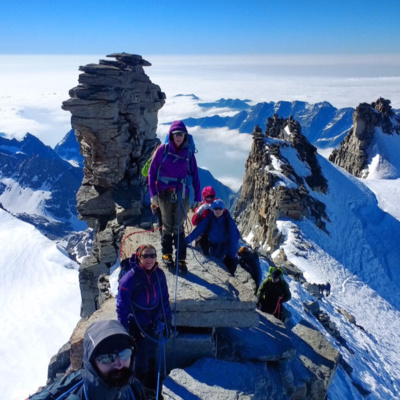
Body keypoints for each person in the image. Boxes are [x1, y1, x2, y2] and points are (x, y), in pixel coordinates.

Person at [27, 319, 146, 400]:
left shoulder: (134, 388)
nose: (119, 364)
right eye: (107, 358)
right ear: (91, 363)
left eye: (125, 353)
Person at [116, 244, 172, 393]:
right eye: (145, 256)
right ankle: (139, 392)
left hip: (153, 323)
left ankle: (152, 389)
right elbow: (122, 307)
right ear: (139, 257)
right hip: (137, 326)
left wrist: (168, 322)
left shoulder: (159, 275)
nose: (149, 259)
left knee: (153, 357)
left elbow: (164, 299)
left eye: (152, 255)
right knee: (140, 363)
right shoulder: (130, 278)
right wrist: (124, 332)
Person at [148, 120, 201, 275]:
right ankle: (167, 254)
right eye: (176, 134)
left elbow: (195, 176)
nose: (179, 137)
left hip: (182, 193)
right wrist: (153, 195)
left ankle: (181, 259)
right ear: (171, 135)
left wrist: (198, 196)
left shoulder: (189, 153)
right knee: (167, 225)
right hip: (164, 193)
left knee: (178, 225)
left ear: (185, 136)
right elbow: (151, 172)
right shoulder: (162, 150)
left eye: (182, 134)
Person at [185, 199, 240, 276]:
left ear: (223, 209)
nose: (218, 211)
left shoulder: (228, 221)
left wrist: (232, 256)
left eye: (220, 209)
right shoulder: (210, 218)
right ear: (213, 209)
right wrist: (185, 241)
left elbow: (233, 238)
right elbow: (198, 230)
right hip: (213, 249)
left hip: (225, 251)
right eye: (215, 208)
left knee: (227, 270)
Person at [191, 186, 217, 255]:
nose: (209, 198)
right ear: (204, 197)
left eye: (211, 196)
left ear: (213, 196)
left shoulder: (217, 205)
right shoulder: (201, 206)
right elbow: (194, 222)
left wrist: (216, 212)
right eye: (207, 196)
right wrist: (198, 212)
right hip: (202, 234)